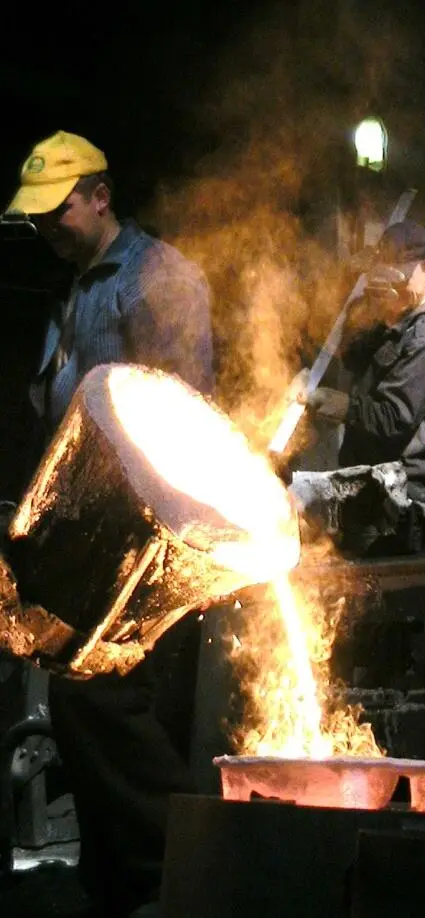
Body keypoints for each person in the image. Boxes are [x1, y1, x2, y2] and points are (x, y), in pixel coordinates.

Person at [4, 130, 214, 916]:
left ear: (100, 194)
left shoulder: (158, 278)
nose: (45, 228)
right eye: (35, 218)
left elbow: (178, 414)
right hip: (80, 535)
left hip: (140, 544)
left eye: (56, 211)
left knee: (109, 708)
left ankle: (179, 875)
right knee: (85, 708)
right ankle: (121, 885)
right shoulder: (78, 286)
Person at [301, 219, 425, 554]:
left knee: (376, 595)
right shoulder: (394, 321)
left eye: (399, 274)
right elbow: (351, 356)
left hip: (398, 503)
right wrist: (363, 309)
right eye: (383, 269)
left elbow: (393, 419)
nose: (390, 285)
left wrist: (345, 406)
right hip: (368, 487)